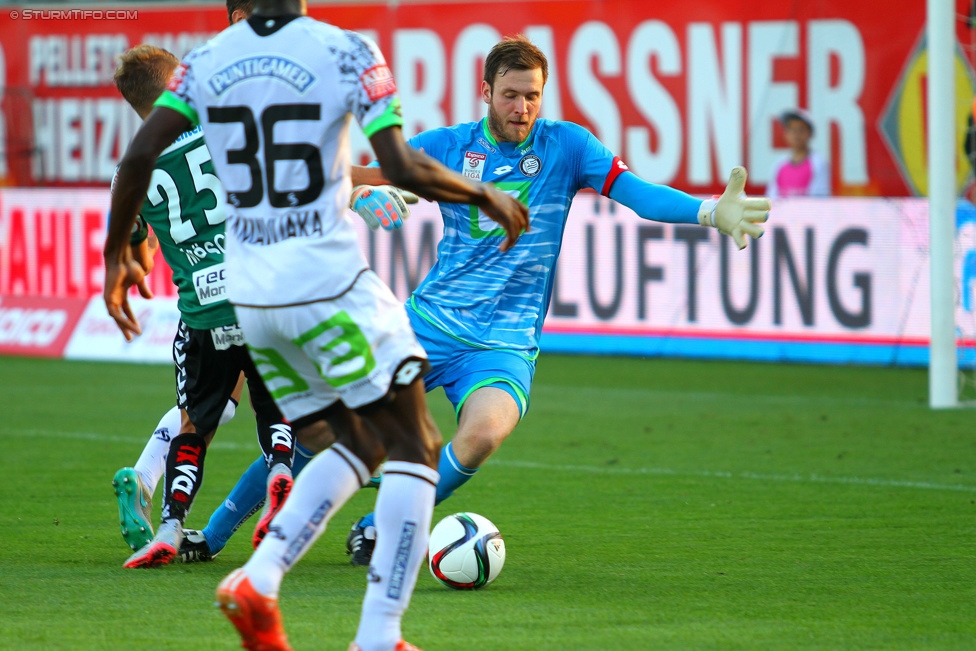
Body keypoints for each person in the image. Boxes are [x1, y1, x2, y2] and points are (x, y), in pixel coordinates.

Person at [105, 3, 529, 651]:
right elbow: (406, 165)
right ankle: (379, 632)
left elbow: (138, 158)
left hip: (249, 298)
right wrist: (486, 195)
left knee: (354, 439)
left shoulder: (204, 66)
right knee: (414, 438)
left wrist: (118, 257)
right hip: (323, 278)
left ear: (236, 9)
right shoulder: (348, 49)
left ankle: (261, 577)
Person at [340, 34, 771, 566]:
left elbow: (639, 195)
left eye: (533, 96)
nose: (522, 107)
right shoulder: (448, 145)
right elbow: (362, 175)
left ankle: (381, 523)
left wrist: (706, 211)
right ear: (486, 91)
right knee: (339, 430)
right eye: (511, 95)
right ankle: (223, 530)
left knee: (481, 436)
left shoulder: (567, 147)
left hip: (505, 342)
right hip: (429, 324)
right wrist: (360, 194)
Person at [106, 43, 303, 569]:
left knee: (196, 422)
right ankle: (281, 470)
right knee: (277, 400)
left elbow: (137, 253)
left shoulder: (132, 171)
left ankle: (169, 523)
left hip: (203, 313)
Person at [765, 108, 830, 198]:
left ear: (810, 133)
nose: (796, 134)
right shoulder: (779, 166)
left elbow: (820, 200)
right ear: (786, 134)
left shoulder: (819, 163)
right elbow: (772, 200)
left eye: (801, 129)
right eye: (791, 129)